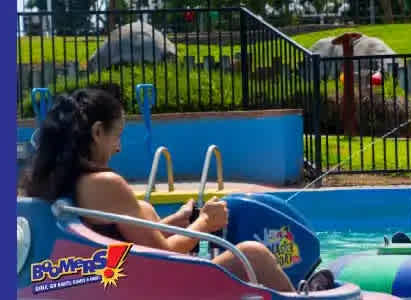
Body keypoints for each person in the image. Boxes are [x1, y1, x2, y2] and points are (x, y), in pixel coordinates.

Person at [19, 85, 335, 292]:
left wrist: (177, 221)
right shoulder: (105, 184)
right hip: (150, 289)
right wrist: (205, 224)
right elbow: (163, 255)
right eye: (117, 136)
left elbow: (119, 242)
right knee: (252, 254)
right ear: (97, 132)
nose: (118, 148)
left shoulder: (53, 184)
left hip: (117, 285)